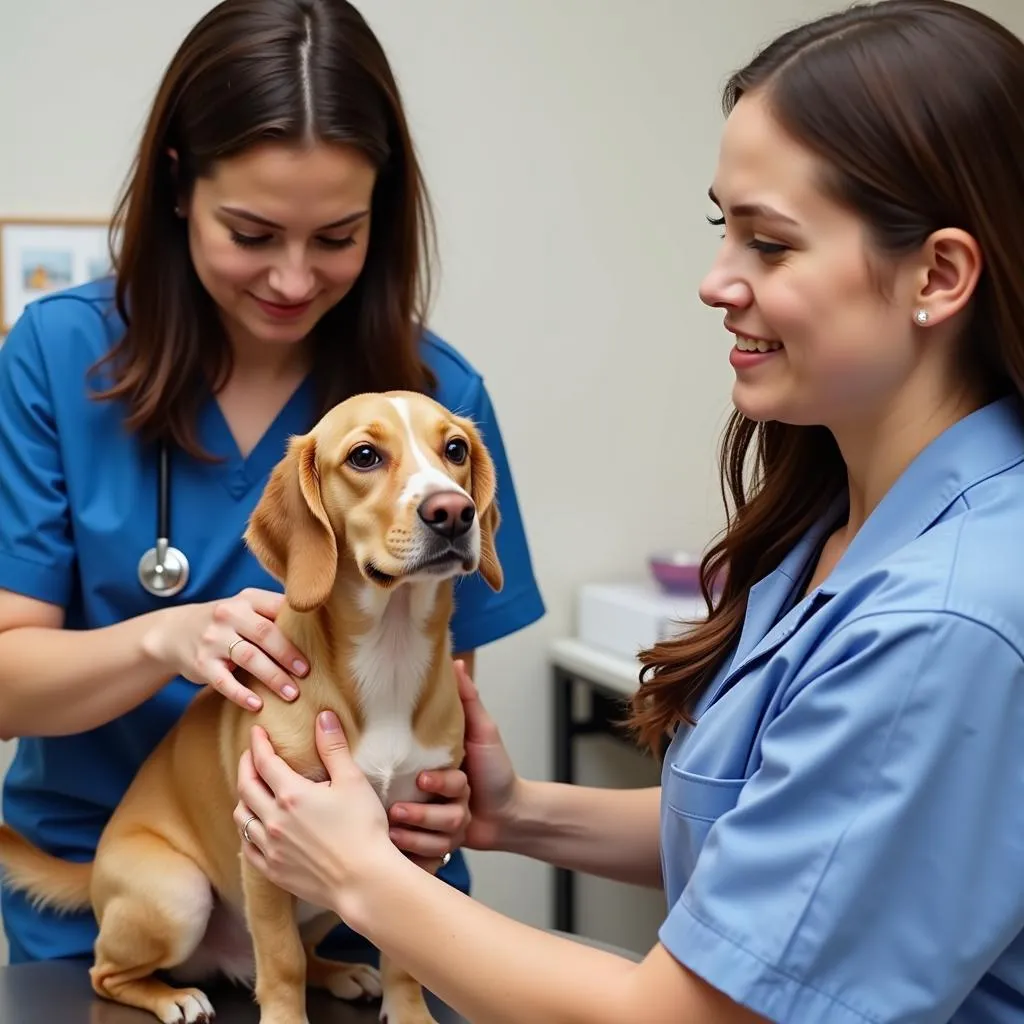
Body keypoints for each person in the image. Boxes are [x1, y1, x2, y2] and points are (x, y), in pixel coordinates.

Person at [233, 1, 1024, 1021]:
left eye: (769, 245)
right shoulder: (841, 527)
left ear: (939, 274)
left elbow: (687, 1015)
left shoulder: (943, 619)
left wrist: (358, 878)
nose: (713, 282)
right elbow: (789, 841)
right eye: (720, 227)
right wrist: (516, 813)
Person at [0, 0, 545, 965]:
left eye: (336, 237)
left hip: (361, 912)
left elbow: (439, 684)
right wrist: (166, 637)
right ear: (179, 186)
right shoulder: (57, 355)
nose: (293, 279)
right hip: (131, 886)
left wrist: (445, 800)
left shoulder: (439, 398)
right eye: (251, 233)